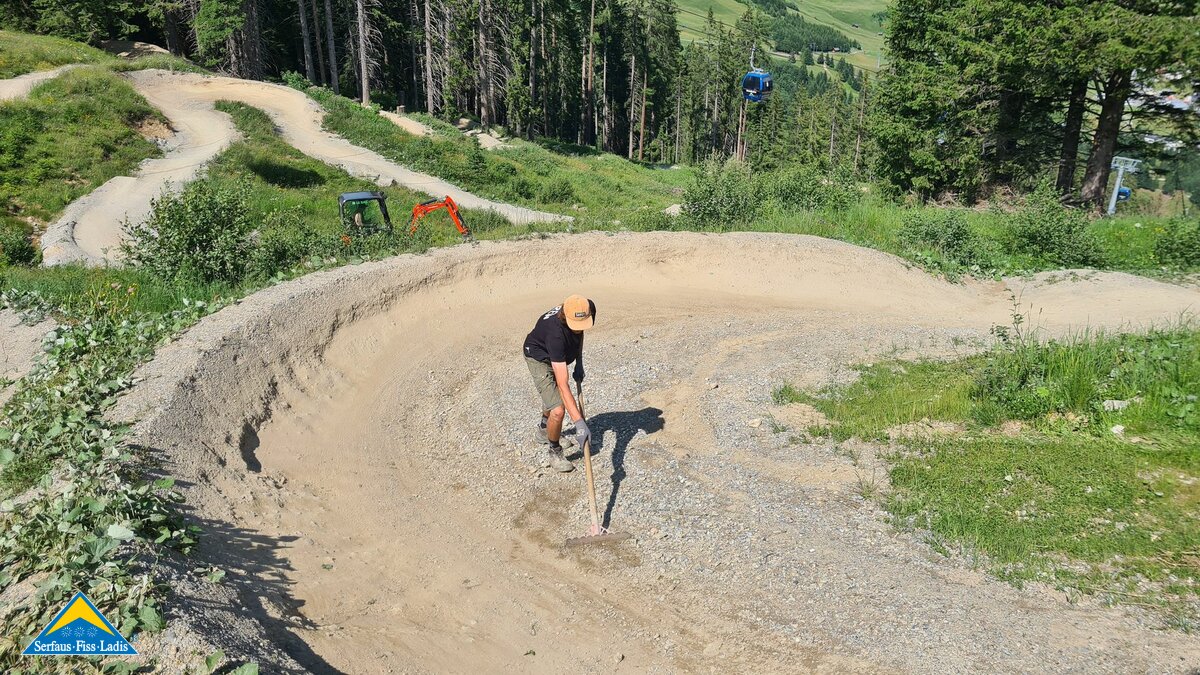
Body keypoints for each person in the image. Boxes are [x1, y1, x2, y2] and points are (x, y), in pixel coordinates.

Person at [523, 295, 595, 472]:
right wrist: (579, 423)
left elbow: (580, 333)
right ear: (565, 317)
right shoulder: (555, 334)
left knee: (552, 397)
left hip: (556, 353)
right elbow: (563, 386)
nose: (579, 329)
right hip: (539, 357)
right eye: (575, 325)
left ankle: (544, 429)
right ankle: (554, 450)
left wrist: (579, 361)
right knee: (558, 409)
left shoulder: (586, 307)